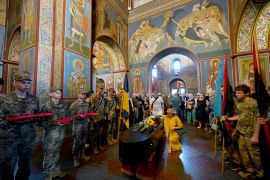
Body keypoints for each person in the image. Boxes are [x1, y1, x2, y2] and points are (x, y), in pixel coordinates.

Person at [0, 71, 39, 180]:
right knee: (7, 166)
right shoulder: (4, 99)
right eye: (23, 82)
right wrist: (12, 121)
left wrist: (50, 120)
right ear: (14, 83)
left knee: (25, 165)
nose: (26, 85)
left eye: (28, 82)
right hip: (9, 139)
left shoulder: (34, 99)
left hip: (28, 138)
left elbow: (37, 117)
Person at [222, 85, 264, 178]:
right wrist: (228, 118)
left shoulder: (254, 103)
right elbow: (240, 116)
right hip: (241, 130)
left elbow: (259, 118)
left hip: (251, 132)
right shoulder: (239, 103)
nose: (237, 94)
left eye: (239, 93)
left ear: (247, 93)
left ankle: (260, 173)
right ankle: (249, 171)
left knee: (254, 154)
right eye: (236, 92)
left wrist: (256, 135)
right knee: (243, 152)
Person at [41, 87, 68, 180]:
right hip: (50, 135)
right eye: (56, 92)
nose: (59, 94)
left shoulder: (63, 105)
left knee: (57, 153)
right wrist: (53, 123)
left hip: (61, 133)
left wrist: (66, 121)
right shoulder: (46, 106)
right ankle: (47, 175)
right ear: (51, 94)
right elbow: (40, 122)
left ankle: (56, 171)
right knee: (49, 154)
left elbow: (68, 116)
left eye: (60, 92)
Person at [69, 90, 91, 168]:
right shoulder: (74, 105)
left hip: (85, 125)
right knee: (77, 143)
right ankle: (76, 159)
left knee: (83, 142)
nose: (84, 95)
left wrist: (88, 117)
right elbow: (70, 116)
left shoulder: (87, 103)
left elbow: (88, 112)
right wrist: (77, 116)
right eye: (82, 94)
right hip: (77, 126)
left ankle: (82, 155)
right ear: (78, 95)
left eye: (84, 94)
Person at [90, 84, 107, 154]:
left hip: (101, 118)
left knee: (100, 133)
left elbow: (104, 107)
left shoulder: (103, 97)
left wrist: (105, 115)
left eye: (102, 89)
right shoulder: (93, 97)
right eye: (100, 88)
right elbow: (91, 109)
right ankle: (94, 148)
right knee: (95, 134)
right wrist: (93, 119)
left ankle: (99, 145)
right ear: (97, 89)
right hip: (95, 119)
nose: (102, 90)